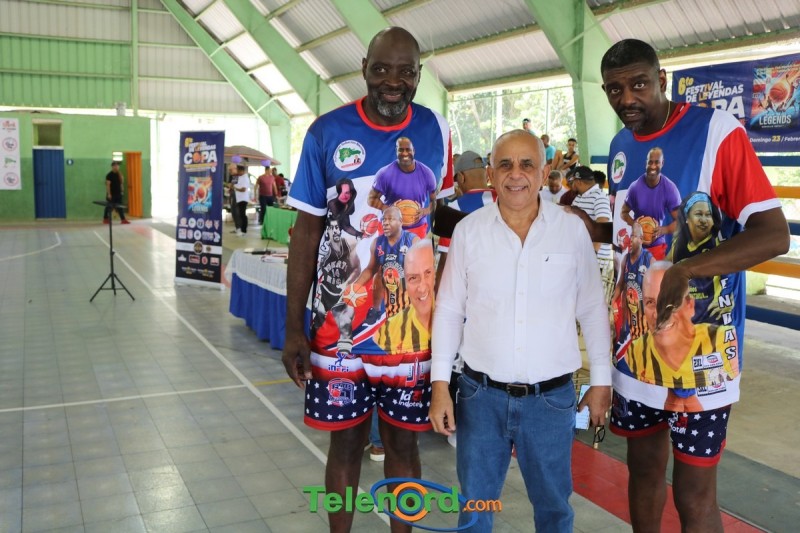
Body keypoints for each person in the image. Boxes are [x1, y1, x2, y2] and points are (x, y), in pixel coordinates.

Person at [595, 38, 789, 532]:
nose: (627, 99)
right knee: (642, 471)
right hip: (636, 348)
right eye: (614, 89)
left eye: (639, 84)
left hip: (702, 354)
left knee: (694, 493)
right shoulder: (620, 146)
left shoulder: (716, 132)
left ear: (662, 80)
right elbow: (628, 238)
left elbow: (774, 234)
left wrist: (686, 269)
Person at [281, 26, 453, 533]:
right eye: (381, 69)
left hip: (410, 330)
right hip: (339, 326)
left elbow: (440, 219)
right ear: (364, 69)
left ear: (419, 75)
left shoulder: (437, 129)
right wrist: (293, 328)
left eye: (405, 72)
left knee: (403, 443)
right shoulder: (326, 132)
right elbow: (305, 233)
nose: (392, 82)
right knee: (347, 443)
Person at [429, 130, 611, 532]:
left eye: (527, 164)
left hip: (551, 402)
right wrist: (439, 385)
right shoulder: (469, 231)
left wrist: (601, 381)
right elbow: (449, 310)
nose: (516, 174)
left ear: (545, 172)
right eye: (505, 164)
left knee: (554, 510)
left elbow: (592, 309)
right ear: (490, 174)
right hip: (479, 398)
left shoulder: (571, 231)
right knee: (475, 509)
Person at [624, 261, 740, 414]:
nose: (659, 314)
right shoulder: (634, 353)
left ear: (690, 305)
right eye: (650, 302)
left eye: (671, 301)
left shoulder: (721, 341)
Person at [352, 206, 418, 328]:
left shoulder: (413, 241)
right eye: (384, 219)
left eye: (390, 219)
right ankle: (376, 310)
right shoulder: (377, 243)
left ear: (400, 222)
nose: (385, 223)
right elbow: (370, 269)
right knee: (380, 271)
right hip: (389, 278)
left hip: (409, 283)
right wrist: (355, 287)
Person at [620, 147, 682, 259]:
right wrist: (634, 224)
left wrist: (664, 230)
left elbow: (681, 220)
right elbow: (623, 213)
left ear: (662, 163)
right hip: (636, 244)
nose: (653, 166)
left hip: (656, 246)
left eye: (657, 162)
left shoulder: (670, 188)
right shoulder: (635, 187)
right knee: (631, 270)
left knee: (656, 271)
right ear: (646, 163)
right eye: (650, 162)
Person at [368, 137, 437, 238]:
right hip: (389, 226)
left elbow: (434, 202)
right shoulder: (384, 174)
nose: (404, 153)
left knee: (417, 249)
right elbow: (371, 199)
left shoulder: (427, 173)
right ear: (396, 151)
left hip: (416, 228)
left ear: (413, 151)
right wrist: (387, 208)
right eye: (401, 150)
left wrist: (424, 211)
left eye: (408, 149)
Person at [611, 222, 653, 370]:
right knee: (628, 360)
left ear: (641, 239)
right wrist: (611, 302)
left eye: (634, 236)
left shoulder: (648, 259)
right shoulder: (625, 260)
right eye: (630, 235)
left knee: (644, 360)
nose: (630, 239)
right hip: (629, 319)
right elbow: (620, 285)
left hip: (645, 323)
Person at [570, 165, 614, 300]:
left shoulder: (599, 197)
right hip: (581, 258)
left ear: (578, 181)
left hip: (596, 260)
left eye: (573, 182)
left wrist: (593, 254)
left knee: (594, 301)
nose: (572, 185)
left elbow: (602, 225)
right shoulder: (579, 198)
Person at [229, 164, 251, 235]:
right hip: (237, 196)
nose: (230, 171)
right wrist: (231, 187)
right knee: (234, 212)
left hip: (241, 198)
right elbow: (232, 185)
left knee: (240, 213)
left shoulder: (244, 177)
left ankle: (242, 229)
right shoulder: (236, 176)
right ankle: (238, 227)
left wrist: (234, 188)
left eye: (231, 170)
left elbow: (243, 189)